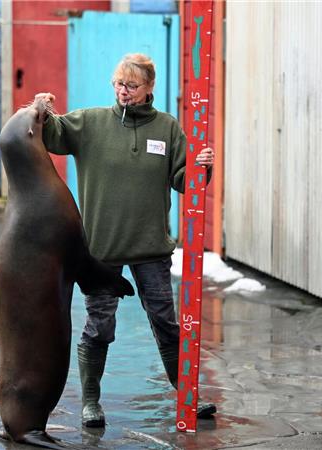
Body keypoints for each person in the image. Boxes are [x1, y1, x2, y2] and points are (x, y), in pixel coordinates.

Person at [33, 53, 216, 428]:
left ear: (149, 88)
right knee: (100, 326)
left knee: (166, 323)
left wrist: (203, 165)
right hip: (102, 249)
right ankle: (90, 403)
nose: (123, 91)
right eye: (118, 83)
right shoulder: (91, 122)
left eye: (132, 86)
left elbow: (185, 182)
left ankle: (187, 399)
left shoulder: (167, 128)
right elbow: (52, 135)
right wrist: (41, 110)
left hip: (151, 247)